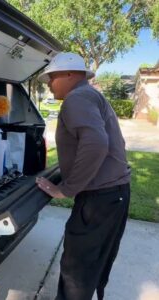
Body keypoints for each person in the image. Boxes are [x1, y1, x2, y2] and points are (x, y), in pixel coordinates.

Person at [36, 52, 131, 300]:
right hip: (114, 195)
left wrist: (66, 188)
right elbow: (106, 142)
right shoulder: (91, 95)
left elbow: (97, 143)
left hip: (99, 198)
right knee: (94, 264)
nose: (48, 83)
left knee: (77, 271)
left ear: (69, 74)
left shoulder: (76, 98)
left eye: (51, 77)